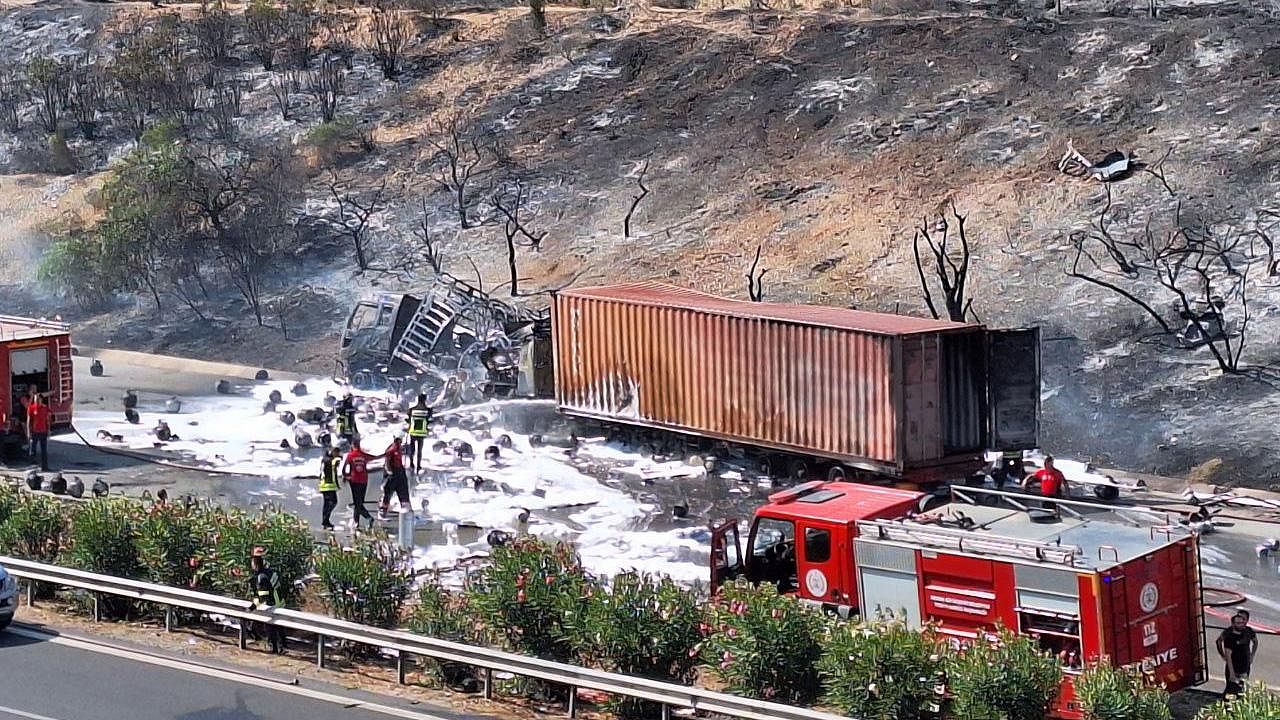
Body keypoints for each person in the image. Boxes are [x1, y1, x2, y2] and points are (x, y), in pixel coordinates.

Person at [248, 546, 286, 654]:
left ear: (255, 564)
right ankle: (282, 646)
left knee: (270, 627)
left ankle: (273, 647)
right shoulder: (270, 572)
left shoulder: (261, 577)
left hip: (272, 604)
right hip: (280, 602)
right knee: (278, 627)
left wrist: (252, 607)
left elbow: (262, 597)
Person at [1217, 610, 1259, 696]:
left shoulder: (1248, 631)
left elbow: (1255, 642)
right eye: (1239, 621)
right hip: (1233, 666)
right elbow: (1222, 647)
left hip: (1245, 666)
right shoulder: (1229, 635)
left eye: (1243, 620)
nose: (1242, 623)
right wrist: (1222, 655)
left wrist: (1252, 655)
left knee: (1241, 688)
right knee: (1231, 688)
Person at [342, 438, 376, 529]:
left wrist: (346, 476)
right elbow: (374, 457)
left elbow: (344, 468)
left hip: (354, 481)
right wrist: (385, 454)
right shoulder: (363, 455)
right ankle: (356, 521)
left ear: (353, 445)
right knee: (359, 502)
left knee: (357, 503)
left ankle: (366, 518)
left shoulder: (350, 455)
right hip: (364, 481)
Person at [379, 435, 412, 519]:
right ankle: (383, 510)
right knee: (388, 493)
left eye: (400, 440)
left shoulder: (400, 448)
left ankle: (406, 511)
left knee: (403, 492)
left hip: (400, 472)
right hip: (393, 473)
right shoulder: (391, 450)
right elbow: (387, 463)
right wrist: (390, 472)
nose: (399, 442)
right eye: (398, 440)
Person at [318, 446, 342, 531]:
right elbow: (334, 468)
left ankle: (326, 521)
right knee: (333, 502)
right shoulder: (331, 460)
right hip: (328, 485)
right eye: (337, 453)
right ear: (333, 452)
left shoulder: (324, 459)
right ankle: (325, 520)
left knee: (326, 504)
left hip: (323, 484)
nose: (337, 455)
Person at [407, 394, 433, 472]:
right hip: (421, 434)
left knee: (412, 450)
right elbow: (429, 420)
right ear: (425, 400)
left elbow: (408, 419)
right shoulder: (427, 410)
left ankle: (411, 464)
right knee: (419, 451)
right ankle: (418, 466)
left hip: (412, 432)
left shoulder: (412, 409)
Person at [26, 392, 51, 472]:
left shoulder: (45, 408)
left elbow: (47, 420)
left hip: (43, 431)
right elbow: (29, 421)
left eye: (38, 399)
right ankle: (32, 468)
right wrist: (29, 432)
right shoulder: (31, 408)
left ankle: (45, 467)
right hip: (35, 432)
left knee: (44, 450)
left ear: (41, 400)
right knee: (33, 450)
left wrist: (49, 430)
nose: (36, 401)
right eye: (35, 399)